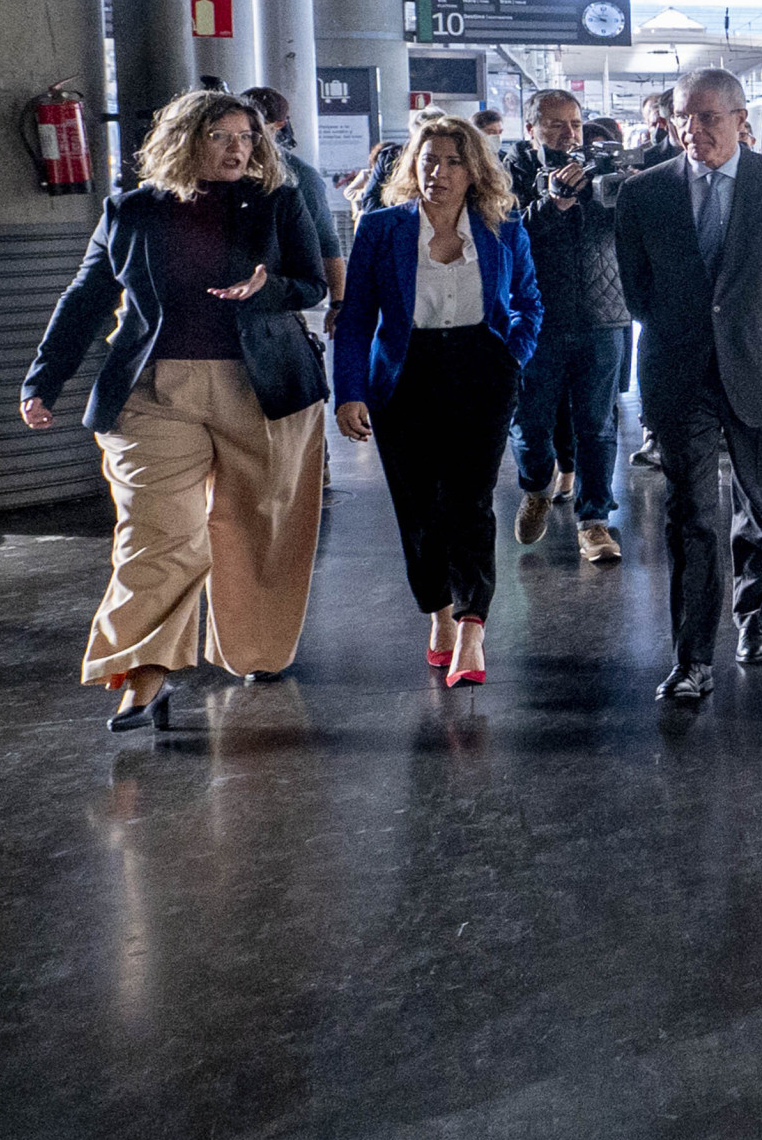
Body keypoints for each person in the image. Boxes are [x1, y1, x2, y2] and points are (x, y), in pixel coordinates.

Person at [19, 89, 333, 730]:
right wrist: (43, 381)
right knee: (156, 534)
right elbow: (85, 296)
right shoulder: (130, 211)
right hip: (153, 391)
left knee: (258, 527)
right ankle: (144, 673)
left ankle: (254, 649)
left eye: (247, 137)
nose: (238, 148)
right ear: (185, 140)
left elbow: (312, 282)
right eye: (221, 136)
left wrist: (269, 286)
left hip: (264, 387)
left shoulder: (278, 201)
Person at [612, 66, 762, 704]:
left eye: (707, 117)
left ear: (740, 119)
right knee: (692, 513)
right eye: (684, 115)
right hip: (680, 374)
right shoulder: (643, 193)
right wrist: (689, 330)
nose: (692, 129)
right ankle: (692, 657)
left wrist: (755, 329)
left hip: (760, 365)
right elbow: (638, 289)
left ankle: (754, 616)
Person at [332, 115, 543, 689]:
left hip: (482, 368)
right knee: (419, 506)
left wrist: (511, 356)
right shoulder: (381, 228)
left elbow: (528, 301)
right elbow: (355, 322)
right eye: (429, 161)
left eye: (453, 162)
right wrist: (349, 392)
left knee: (471, 500)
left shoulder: (502, 227)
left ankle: (473, 625)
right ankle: (439, 613)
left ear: (473, 171)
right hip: (406, 375)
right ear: (413, 167)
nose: (439, 173)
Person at [511, 89, 633, 563]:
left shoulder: (603, 169)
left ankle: (595, 522)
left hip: (603, 315)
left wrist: (630, 190)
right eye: (556, 124)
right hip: (536, 320)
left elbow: (628, 229)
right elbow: (506, 236)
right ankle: (537, 487)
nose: (569, 133)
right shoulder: (510, 174)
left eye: (575, 124)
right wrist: (552, 204)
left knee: (597, 426)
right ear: (532, 129)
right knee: (531, 424)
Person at [238, 84, 348, 314]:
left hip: (273, 305)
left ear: (277, 126)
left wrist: (337, 303)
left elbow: (326, 242)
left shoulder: (296, 178)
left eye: (257, 129)